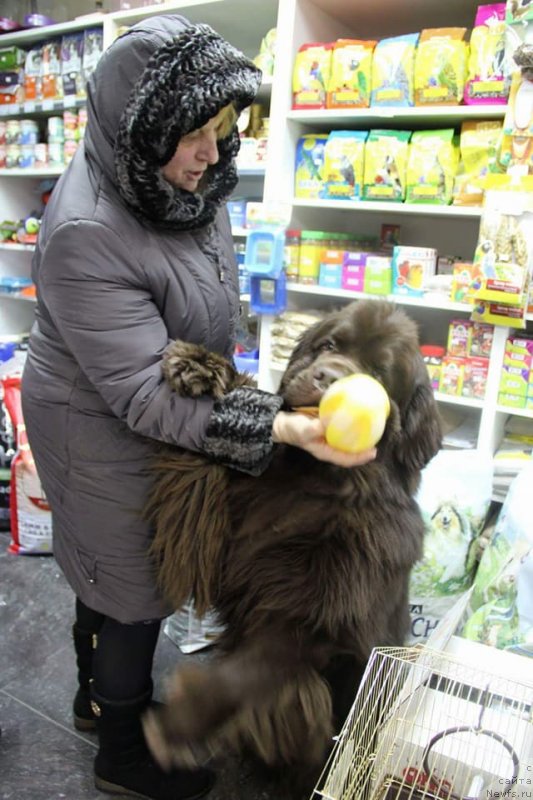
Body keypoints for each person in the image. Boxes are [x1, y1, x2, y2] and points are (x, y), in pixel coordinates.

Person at [21, 14, 376, 800]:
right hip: (96, 420)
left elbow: (196, 296)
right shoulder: (84, 231)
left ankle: (91, 692)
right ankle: (121, 749)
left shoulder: (184, 177)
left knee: (111, 572)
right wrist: (278, 427)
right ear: (140, 131)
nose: (213, 153)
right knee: (134, 583)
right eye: (192, 136)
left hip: (155, 398)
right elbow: (146, 391)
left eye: (222, 128)